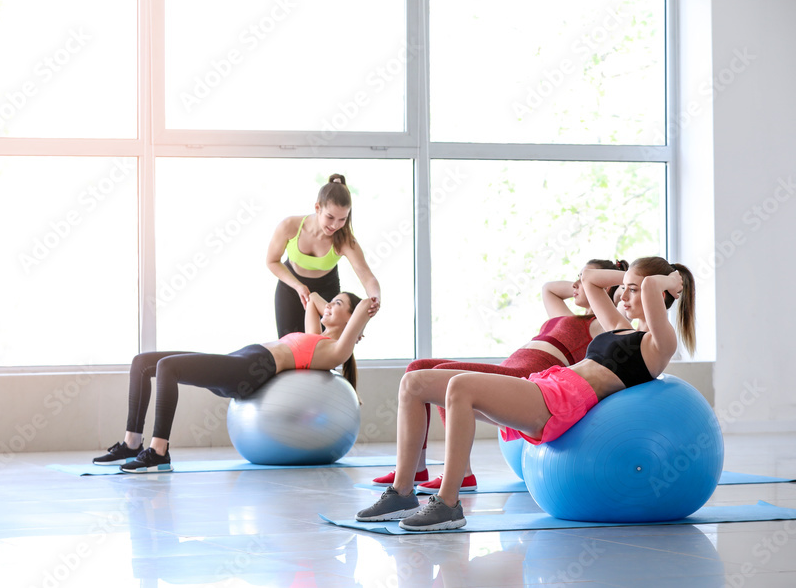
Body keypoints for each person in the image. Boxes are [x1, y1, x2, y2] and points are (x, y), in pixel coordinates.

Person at [357, 256, 695, 531]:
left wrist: (669, 281)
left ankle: (448, 504)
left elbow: (651, 285)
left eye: (633, 291)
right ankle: (402, 492)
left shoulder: (658, 345)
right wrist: (626, 276)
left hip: (561, 404)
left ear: (663, 295)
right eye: (624, 289)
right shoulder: (617, 328)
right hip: (546, 385)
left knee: (460, 385)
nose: (623, 296)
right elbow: (590, 279)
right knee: (414, 383)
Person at [372, 258, 628, 494]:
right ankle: (416, 468)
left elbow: (615, 321)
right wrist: (583, 280)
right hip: (509, 368)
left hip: (525, 378)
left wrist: (612, 279)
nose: (574, 285)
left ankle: (463, 473)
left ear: (603, 289)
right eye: (576, 278)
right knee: (418, 367)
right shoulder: (566, 316)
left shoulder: (602, 325)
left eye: (583, 280)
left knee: (440, 376)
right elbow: (548, 288)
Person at [93, 290, 375, 472]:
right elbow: (313, 298)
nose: (329, 305)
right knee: (142, 363)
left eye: (337, 303)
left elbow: (361, 306)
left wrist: (368, 304)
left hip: (250, 370)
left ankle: (158, 451)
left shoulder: (335, 351)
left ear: (352, 321)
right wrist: (332, 308)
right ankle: (132, 443)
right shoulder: (317, 337)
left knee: (168, 367)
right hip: (242, 357)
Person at [267, 173, 381, 338]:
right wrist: (298, 286)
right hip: (291, 289)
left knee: (323, 348)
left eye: (342, 219)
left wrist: (375, 298)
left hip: (327, 291)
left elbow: (367, 276)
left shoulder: (344, 240)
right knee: (289, 346)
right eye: (330, 217)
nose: (335, 225)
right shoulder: (289, 226)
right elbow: (272, 261)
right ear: (317, 208)